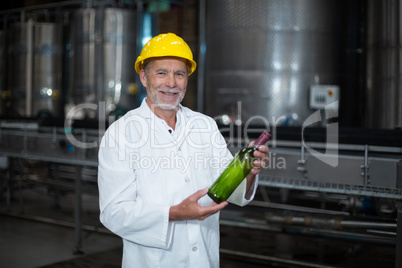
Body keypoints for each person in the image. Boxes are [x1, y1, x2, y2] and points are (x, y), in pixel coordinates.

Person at [97, 33, 269, 268]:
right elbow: (113, 213)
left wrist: (248, 172)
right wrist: (174, 213)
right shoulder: (121, 133)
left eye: (179, 74)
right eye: (161, 73)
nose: (171, 83)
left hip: (205, 259)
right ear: (143, 77)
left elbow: (229, 189)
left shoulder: (204, 125)